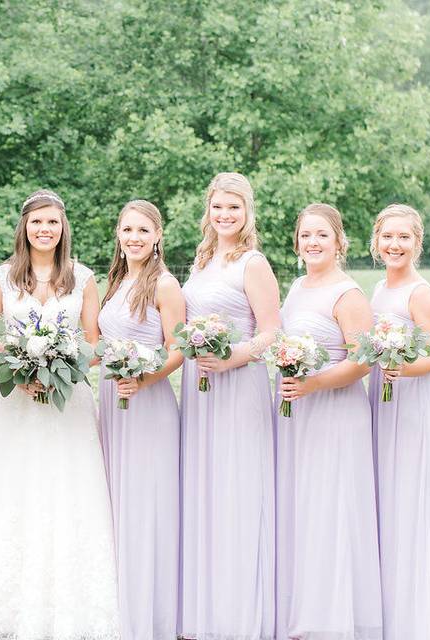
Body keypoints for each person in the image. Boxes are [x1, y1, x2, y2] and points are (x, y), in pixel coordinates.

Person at [0, 190, 119, 639]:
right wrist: (17, 372)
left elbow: (93, 339)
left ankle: (66, 607)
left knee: (66, 491)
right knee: (9, 491)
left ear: (64, 229)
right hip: (13, 404)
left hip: (68, 407)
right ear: (24, 227)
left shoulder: (82, 278)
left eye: (53, 223)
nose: (45, 230)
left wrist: (64, 365)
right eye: (37, 222)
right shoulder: (1, 277)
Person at [179, 173, 279, 640]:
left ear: (247, 212)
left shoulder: (253, 263)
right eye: (218, 207)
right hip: (200, 391)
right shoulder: (202, 258)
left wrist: (232, 356)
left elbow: (272, 330)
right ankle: (206, 608)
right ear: (209, 209)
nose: (225, 215)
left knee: (237, 490)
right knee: (206, 488)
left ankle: (240, 614)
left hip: (239, 387)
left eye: (234, 208)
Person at [275, 203, 381, 640]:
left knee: (331, 508)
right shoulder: (298, 285)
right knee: (303, 507)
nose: (312, 243)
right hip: (298, 413)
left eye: (322, 235)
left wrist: (314, 384)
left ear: (339, 241)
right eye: (305, 235)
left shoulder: (348, 294)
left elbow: (364, 361)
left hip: (335, 412)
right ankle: (304, 609)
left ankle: (332, 619)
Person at [97, 199, 184, 640]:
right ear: (118, 234)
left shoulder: (164, 285)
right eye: (127, 229)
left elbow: (179, 349)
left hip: (148, 404)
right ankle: (120, 605)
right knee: (116, 500)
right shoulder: (114, 282)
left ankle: (153, 615)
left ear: (157, 238)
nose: (134, 238)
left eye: (143, 231)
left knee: (147, 503)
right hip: (112, 404)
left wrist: (145, 378)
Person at [369, 204, 430, 640]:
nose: (394, 245)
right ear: (376, 240)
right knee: (386, 502)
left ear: (417, 243)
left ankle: (414, 623)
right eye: (388, 237)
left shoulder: (421, 293)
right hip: (383, 406)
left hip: (415, 405)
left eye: (403, 238)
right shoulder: (377, 290)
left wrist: (403, 367)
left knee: (410, 504)